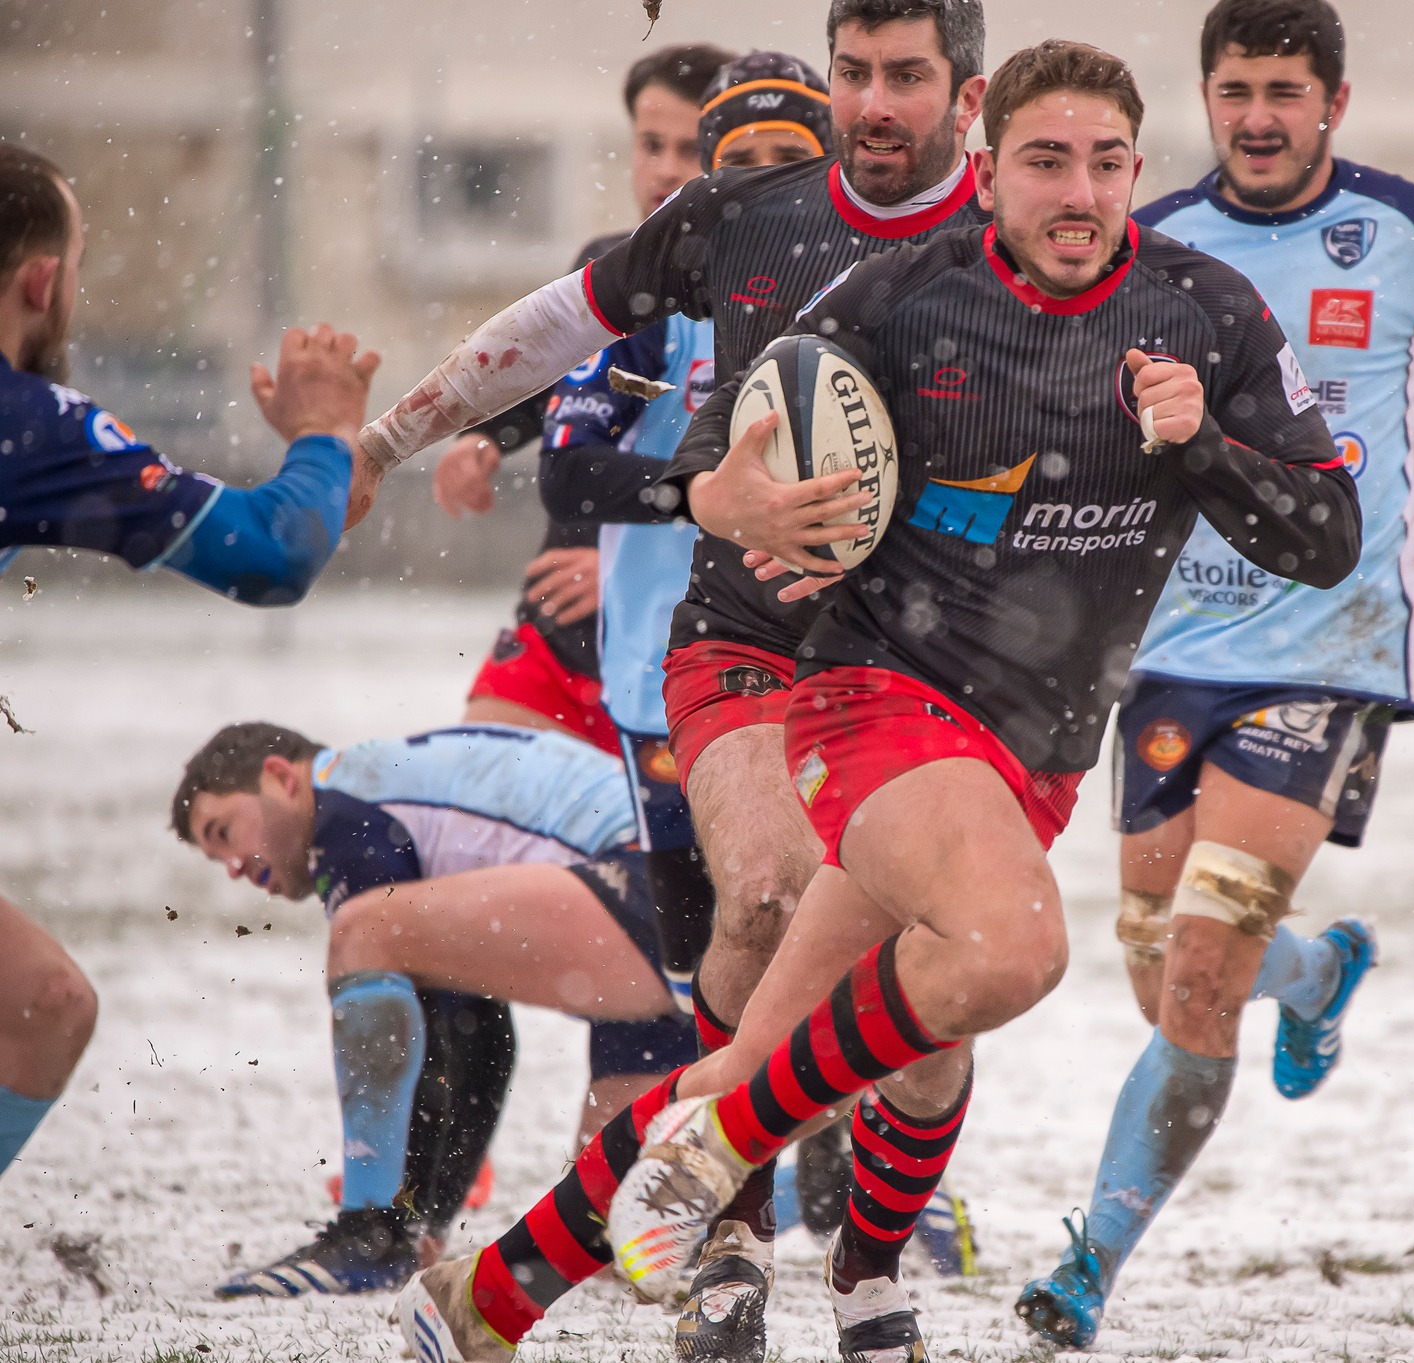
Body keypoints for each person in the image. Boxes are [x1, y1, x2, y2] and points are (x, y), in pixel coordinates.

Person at [518, 37, 1357, 1363]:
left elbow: (1326, 537)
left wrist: (1205, 444)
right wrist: (724, 499)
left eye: (1103, 163)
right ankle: (773, 1198)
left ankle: (487, 1294)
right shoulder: (897, 298)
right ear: (989, 167)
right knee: (1007, 946)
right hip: (875, 698)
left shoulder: (1211, 314)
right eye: (1043, 162)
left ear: (1138, 170)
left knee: (772, 1049)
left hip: (1040, 748)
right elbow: (731, 445)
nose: (1076, 192)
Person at [361, 5, 993, 1358]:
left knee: (945, 974)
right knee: (755, 912)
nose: (876, 103)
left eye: (906, 78)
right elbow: (555, 360)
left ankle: (872, 1255)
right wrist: (392, 435)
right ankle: (728, 1234)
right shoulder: (722, 234)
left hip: (942, 651)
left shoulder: (1020, 230)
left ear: (967, 95)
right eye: (856, 74)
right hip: (728, 649)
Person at [1013, 0, 1414, 1347]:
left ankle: (1089, 1261)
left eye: (1284, 90)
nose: (1258, 116)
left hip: (1329, 643)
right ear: (1204, 102)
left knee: (1203, 971)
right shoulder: (1155, 246)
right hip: (1166, 647)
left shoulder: (1409, 228)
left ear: (1334, 100)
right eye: (1234, 90)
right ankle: (1320, 972)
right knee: (1162, 973)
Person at [0, 142, 375, 1182]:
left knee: (41, 1002)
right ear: (42, 280)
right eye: (76, 262)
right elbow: (272, 552)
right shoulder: (25, 424)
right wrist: (322, 436)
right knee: (45, 1008)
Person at [172, 720, 695, 1296]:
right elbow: (477, 1037)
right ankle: (810, 1193)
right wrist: (430, 1220)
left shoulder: (343, 813)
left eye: (224, 833)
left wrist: (394, 1225)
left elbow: (457, 1037)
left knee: (362, 930)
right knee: (608, 1227)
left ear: (280, 778)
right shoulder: (379, 793)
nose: (234, 868)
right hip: (683, 888)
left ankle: (368, 1231)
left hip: (655, 878)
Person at [434, 42, 735, 757]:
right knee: (476, 798)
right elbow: (551, 379)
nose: (665, 168)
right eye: (650, 144)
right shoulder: (607, 266)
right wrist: (486, 439)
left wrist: (631, 564)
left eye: (691, 148)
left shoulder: (762, 297)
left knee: (636, 861)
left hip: (680, 648)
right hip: (559, 639)